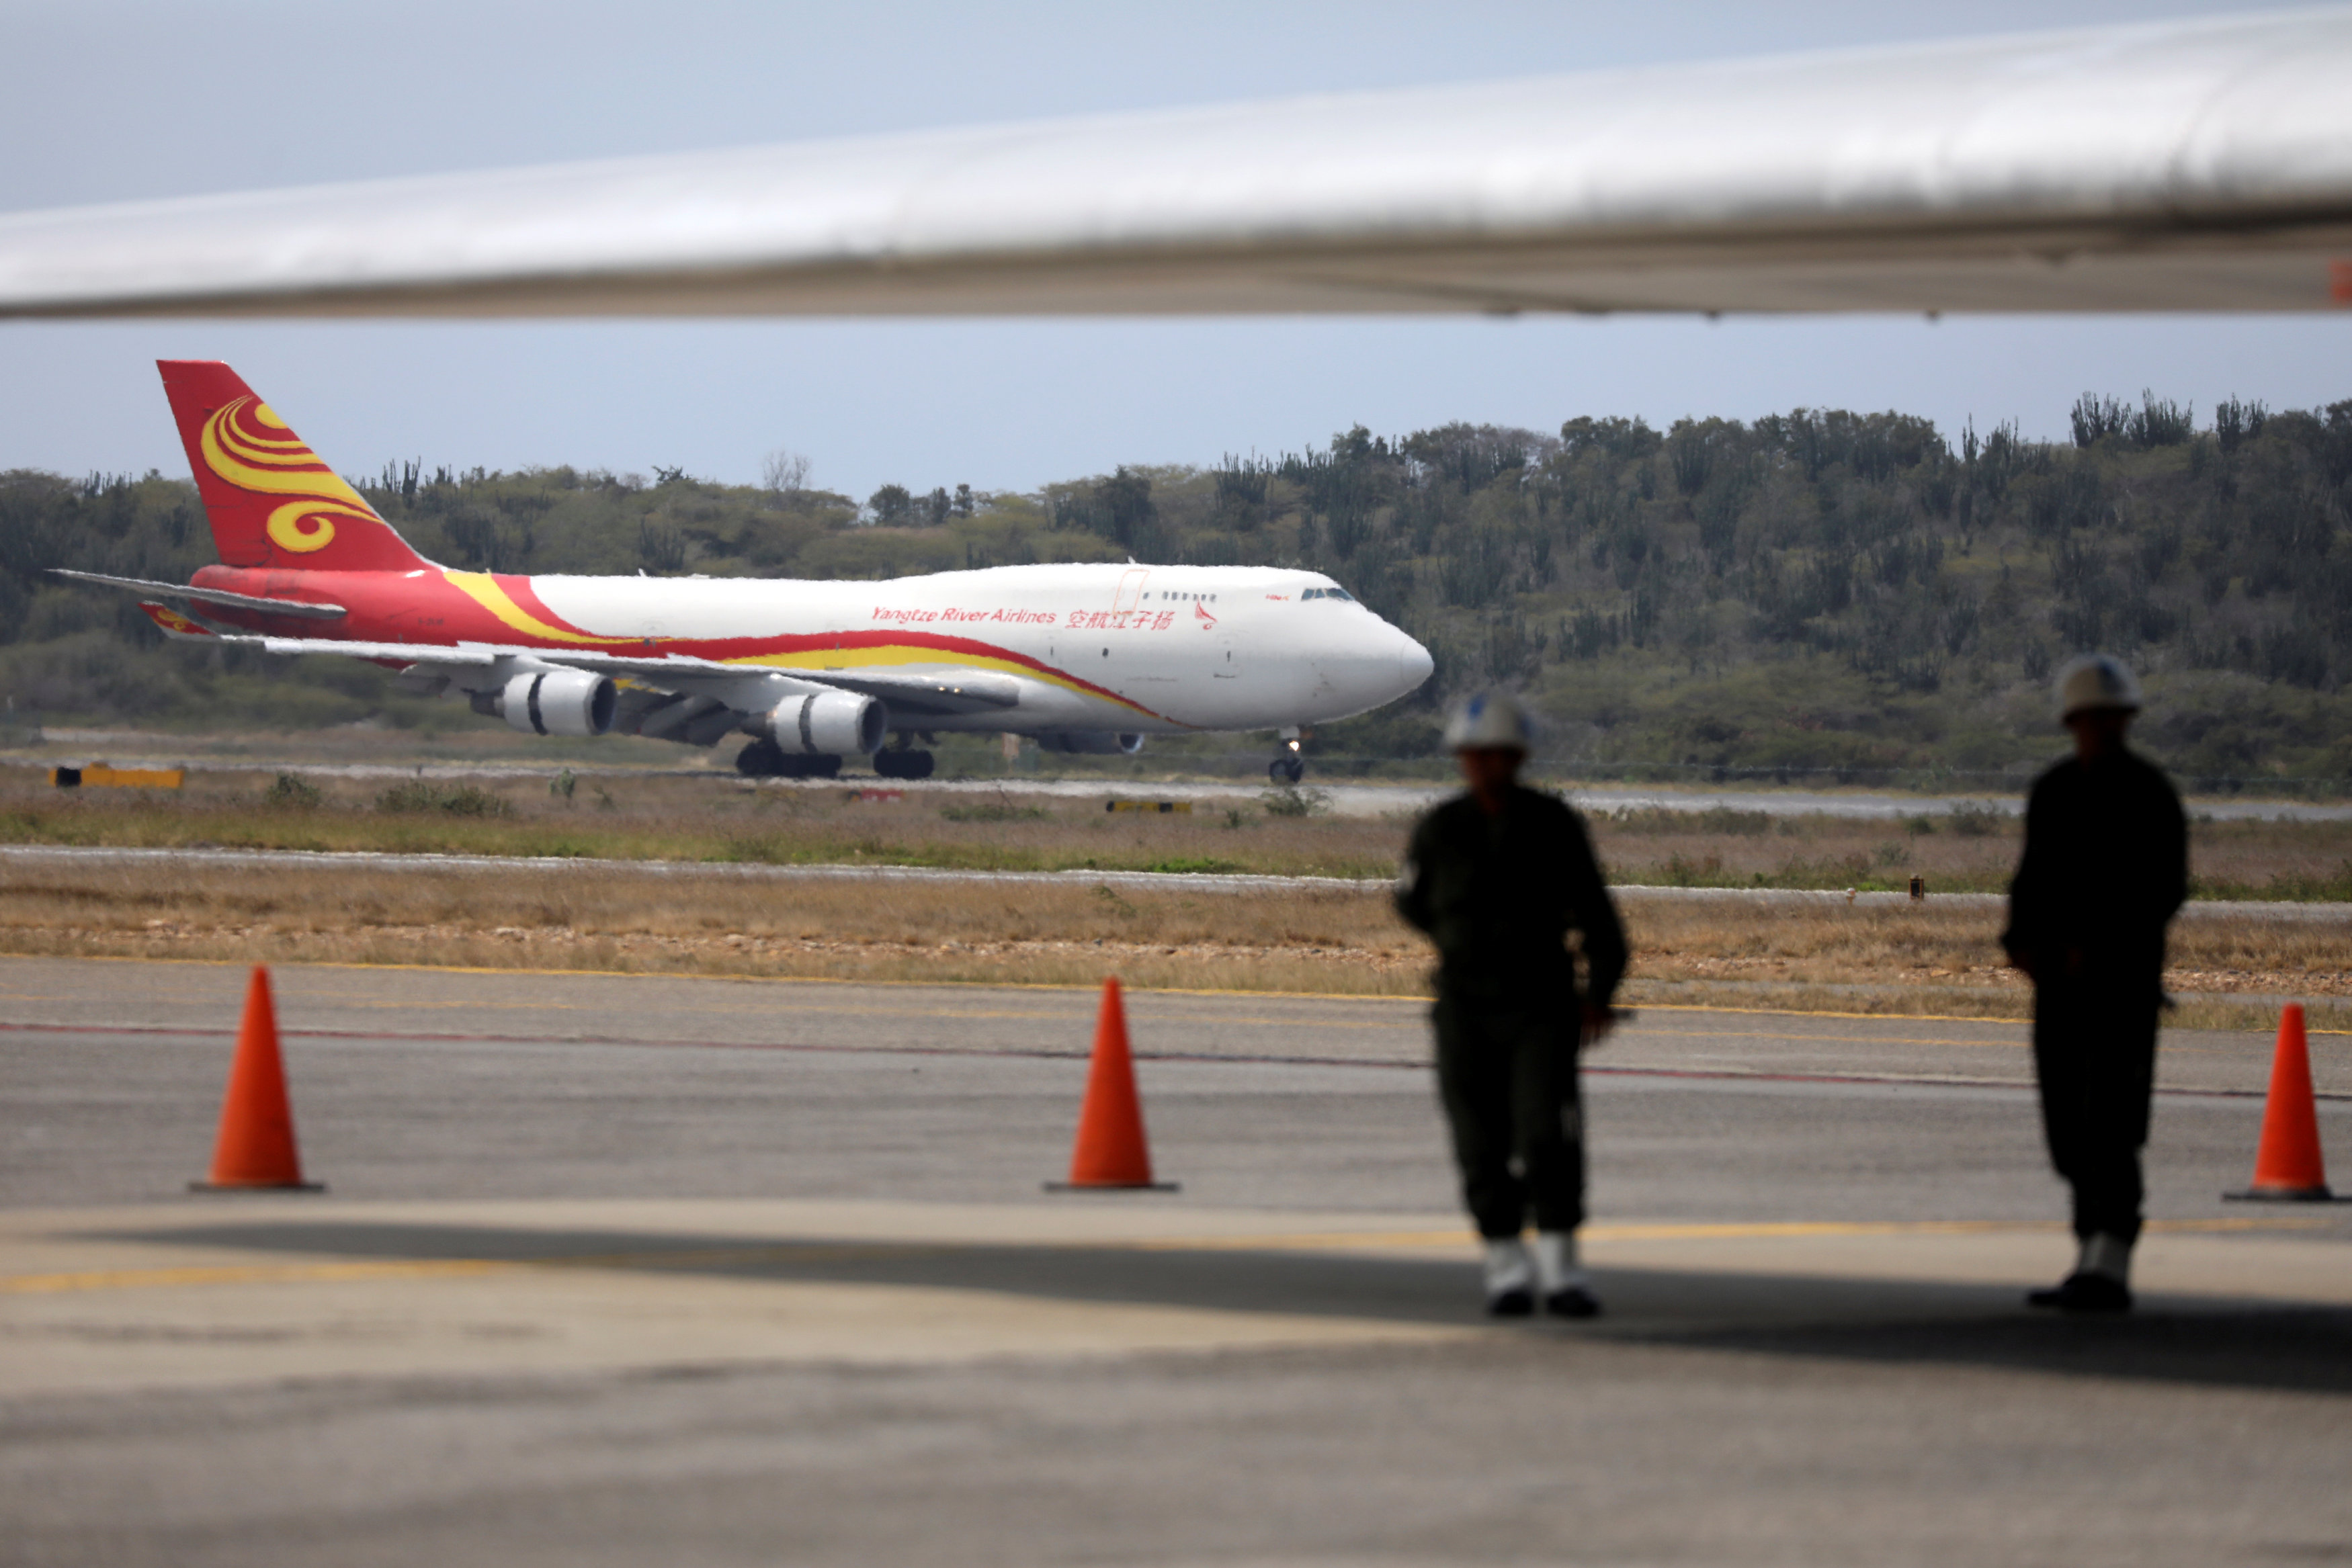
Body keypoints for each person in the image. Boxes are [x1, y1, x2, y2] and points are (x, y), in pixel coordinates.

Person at [1395, 692, 1628, 1318]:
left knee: (1546, 1132)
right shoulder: (1441, 828)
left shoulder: (1553, 825)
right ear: (1463, 760)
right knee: (1478, 1140)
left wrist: (1598, 995)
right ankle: (1505, 1266)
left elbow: (1600, 920)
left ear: (1518, 757)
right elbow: (1413, 904)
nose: (1488, 765)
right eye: (1477, 755)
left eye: (1500, 755)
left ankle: (1561, 1269)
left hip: (1539, 1006)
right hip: (1464, 1008)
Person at [2002, 654, 2187, 1314]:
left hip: (2119, 988)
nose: (2104, 728)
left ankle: (2108, 1254)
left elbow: (2162, 890)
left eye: (2114, 717)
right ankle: (2087, 1250)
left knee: (2111, 1120)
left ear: (2125, 720)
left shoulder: (2149, 794)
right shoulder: (2053, 791)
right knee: (2066, 1123)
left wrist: (2101, 951)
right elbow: (2029, 878)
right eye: (2093, 718)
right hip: (2057, 986)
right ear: (2072, 721)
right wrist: (2020, 943)